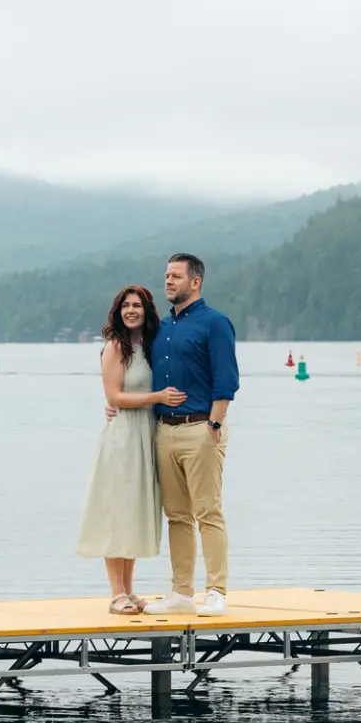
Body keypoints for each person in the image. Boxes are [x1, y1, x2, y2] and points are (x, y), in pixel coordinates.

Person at [76, 285, 186, 614]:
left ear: (146, 310)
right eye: (126, 305)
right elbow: (115, 398)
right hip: (123, 437)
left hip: (147, 435)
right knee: (117, 511)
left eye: (137, 305)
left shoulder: (151, 346)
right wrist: (157, 398)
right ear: (118, 311)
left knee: (135, 511)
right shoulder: (115, 347)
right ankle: (116, 593)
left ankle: (129, 589)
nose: (131, 310)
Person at [143, 253, 239, 617]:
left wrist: (213, 425)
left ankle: (217, 590)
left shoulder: (215, 323)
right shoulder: (163, 327)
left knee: (208, 512)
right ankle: (181, 592)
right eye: (166, 275)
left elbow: (226, 380)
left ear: (195, 282)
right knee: (177, 516)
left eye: (176, 276)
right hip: (164, 431)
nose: (168, 281)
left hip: (201, 428)